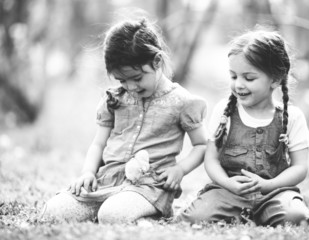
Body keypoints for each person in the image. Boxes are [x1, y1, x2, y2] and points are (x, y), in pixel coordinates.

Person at [41, 17, 208, 224]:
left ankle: (149, 216)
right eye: (122, 80)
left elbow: (201, 145)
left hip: (149, 187)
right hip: (106, 181)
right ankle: (116, 211)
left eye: (137, 78)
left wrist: (179, 170)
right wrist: (87, 172)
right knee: (52, 212)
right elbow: (98, 143)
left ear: (157, 61)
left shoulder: (181, 101)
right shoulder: (115, 99)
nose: (131, 87)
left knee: (112, 215)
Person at [178, 29, 309, 226]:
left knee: (297, 217)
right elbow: (211, 159)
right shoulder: (224, 112)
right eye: (234, 76)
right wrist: (228, 184)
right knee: (194, 218)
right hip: (227, 192)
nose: (239, 85)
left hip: (274, 193)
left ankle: (260, 213)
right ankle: (243, 213)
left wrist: (269, 185)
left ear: (275, 79)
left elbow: (300, 167)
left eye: (249, 78)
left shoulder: (293, 117)